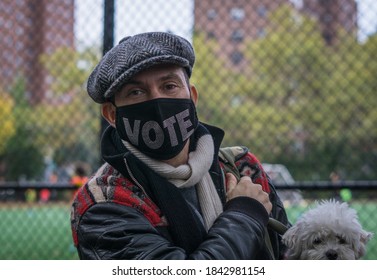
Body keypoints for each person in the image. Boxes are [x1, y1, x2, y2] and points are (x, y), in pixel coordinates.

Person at [70, 32, 290, 259]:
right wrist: (245, 214)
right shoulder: (103, 206)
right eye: (136, 92)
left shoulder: (242, 167)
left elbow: (289, 253)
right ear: (112, 115)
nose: (156, 101)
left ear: (192, 97)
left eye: (169, 86)